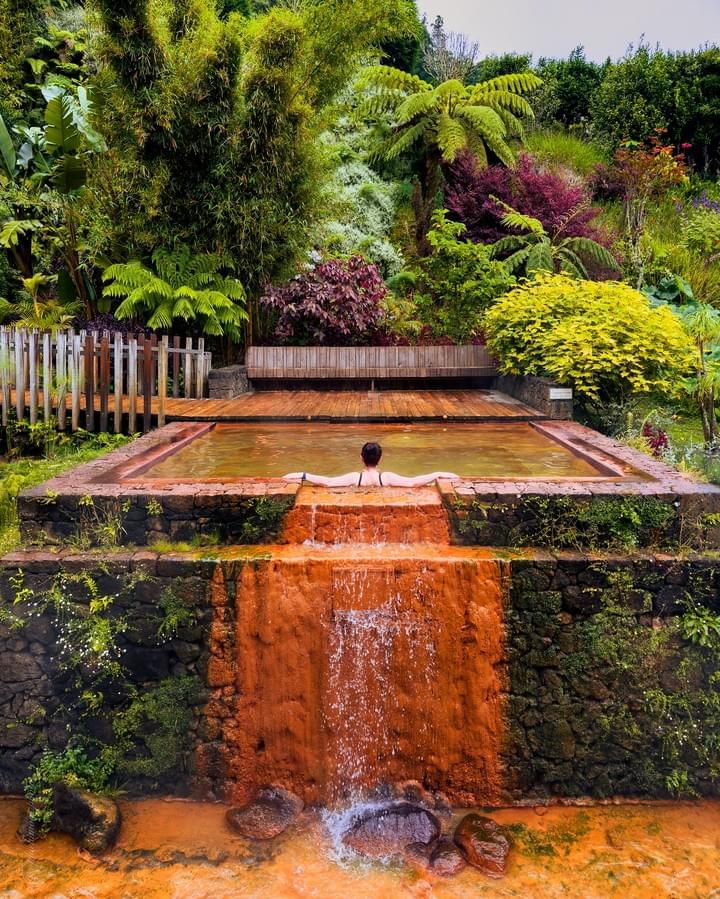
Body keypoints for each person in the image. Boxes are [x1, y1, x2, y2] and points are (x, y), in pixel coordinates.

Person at [282, 442, 458, 487]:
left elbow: (327, 482)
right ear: (380, 459)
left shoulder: (355, 478)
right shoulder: (386, 478)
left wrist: (303, 475)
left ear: (361, 458)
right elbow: (413, 482)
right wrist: (437, 473)